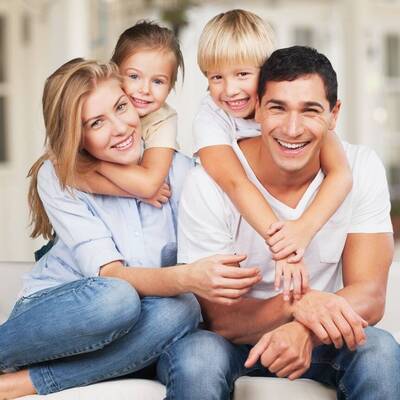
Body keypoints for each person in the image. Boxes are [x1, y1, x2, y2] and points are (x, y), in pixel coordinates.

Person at [0, 59, 261, 399]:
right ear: (77, 138)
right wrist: (186, 278)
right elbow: (111, 275)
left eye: (121, 107)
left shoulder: (182, 174)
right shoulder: (61, 177)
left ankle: (28, 382)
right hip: (59, 315)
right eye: (96, 123)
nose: (120, 128)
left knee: (183, 312)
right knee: (116, 298)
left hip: (146, 327)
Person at [157, 46, 400, 400]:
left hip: (320, 337)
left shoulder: (361, 167)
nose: (292, 128)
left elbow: (371, 296)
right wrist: (295, 305)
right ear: (257, 107)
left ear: (334, 114)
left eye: (310, 110)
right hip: (230, 342)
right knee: (197, 357)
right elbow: (221, 321)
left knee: (378, 352)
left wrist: (304, 329)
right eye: (278, 108)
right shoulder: (208, 182)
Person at [194, 9, 353, 299]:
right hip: (232, 221)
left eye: (242, 74)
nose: (230, 90)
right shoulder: (211, 115)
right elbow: (234, 182)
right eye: (216, 77)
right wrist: (283, 248)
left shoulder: (294, 110)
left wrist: (303, 230)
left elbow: (341, 174)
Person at [71, 20, 185, 208]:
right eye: (134, 76)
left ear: (170, 87)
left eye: (158, 81)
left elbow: (149, 185)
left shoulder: (163, 120)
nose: (145, 89)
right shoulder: (94, 103)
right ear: (114, 72)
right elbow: (71, 175)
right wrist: (133, 194)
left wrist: (94, 163)